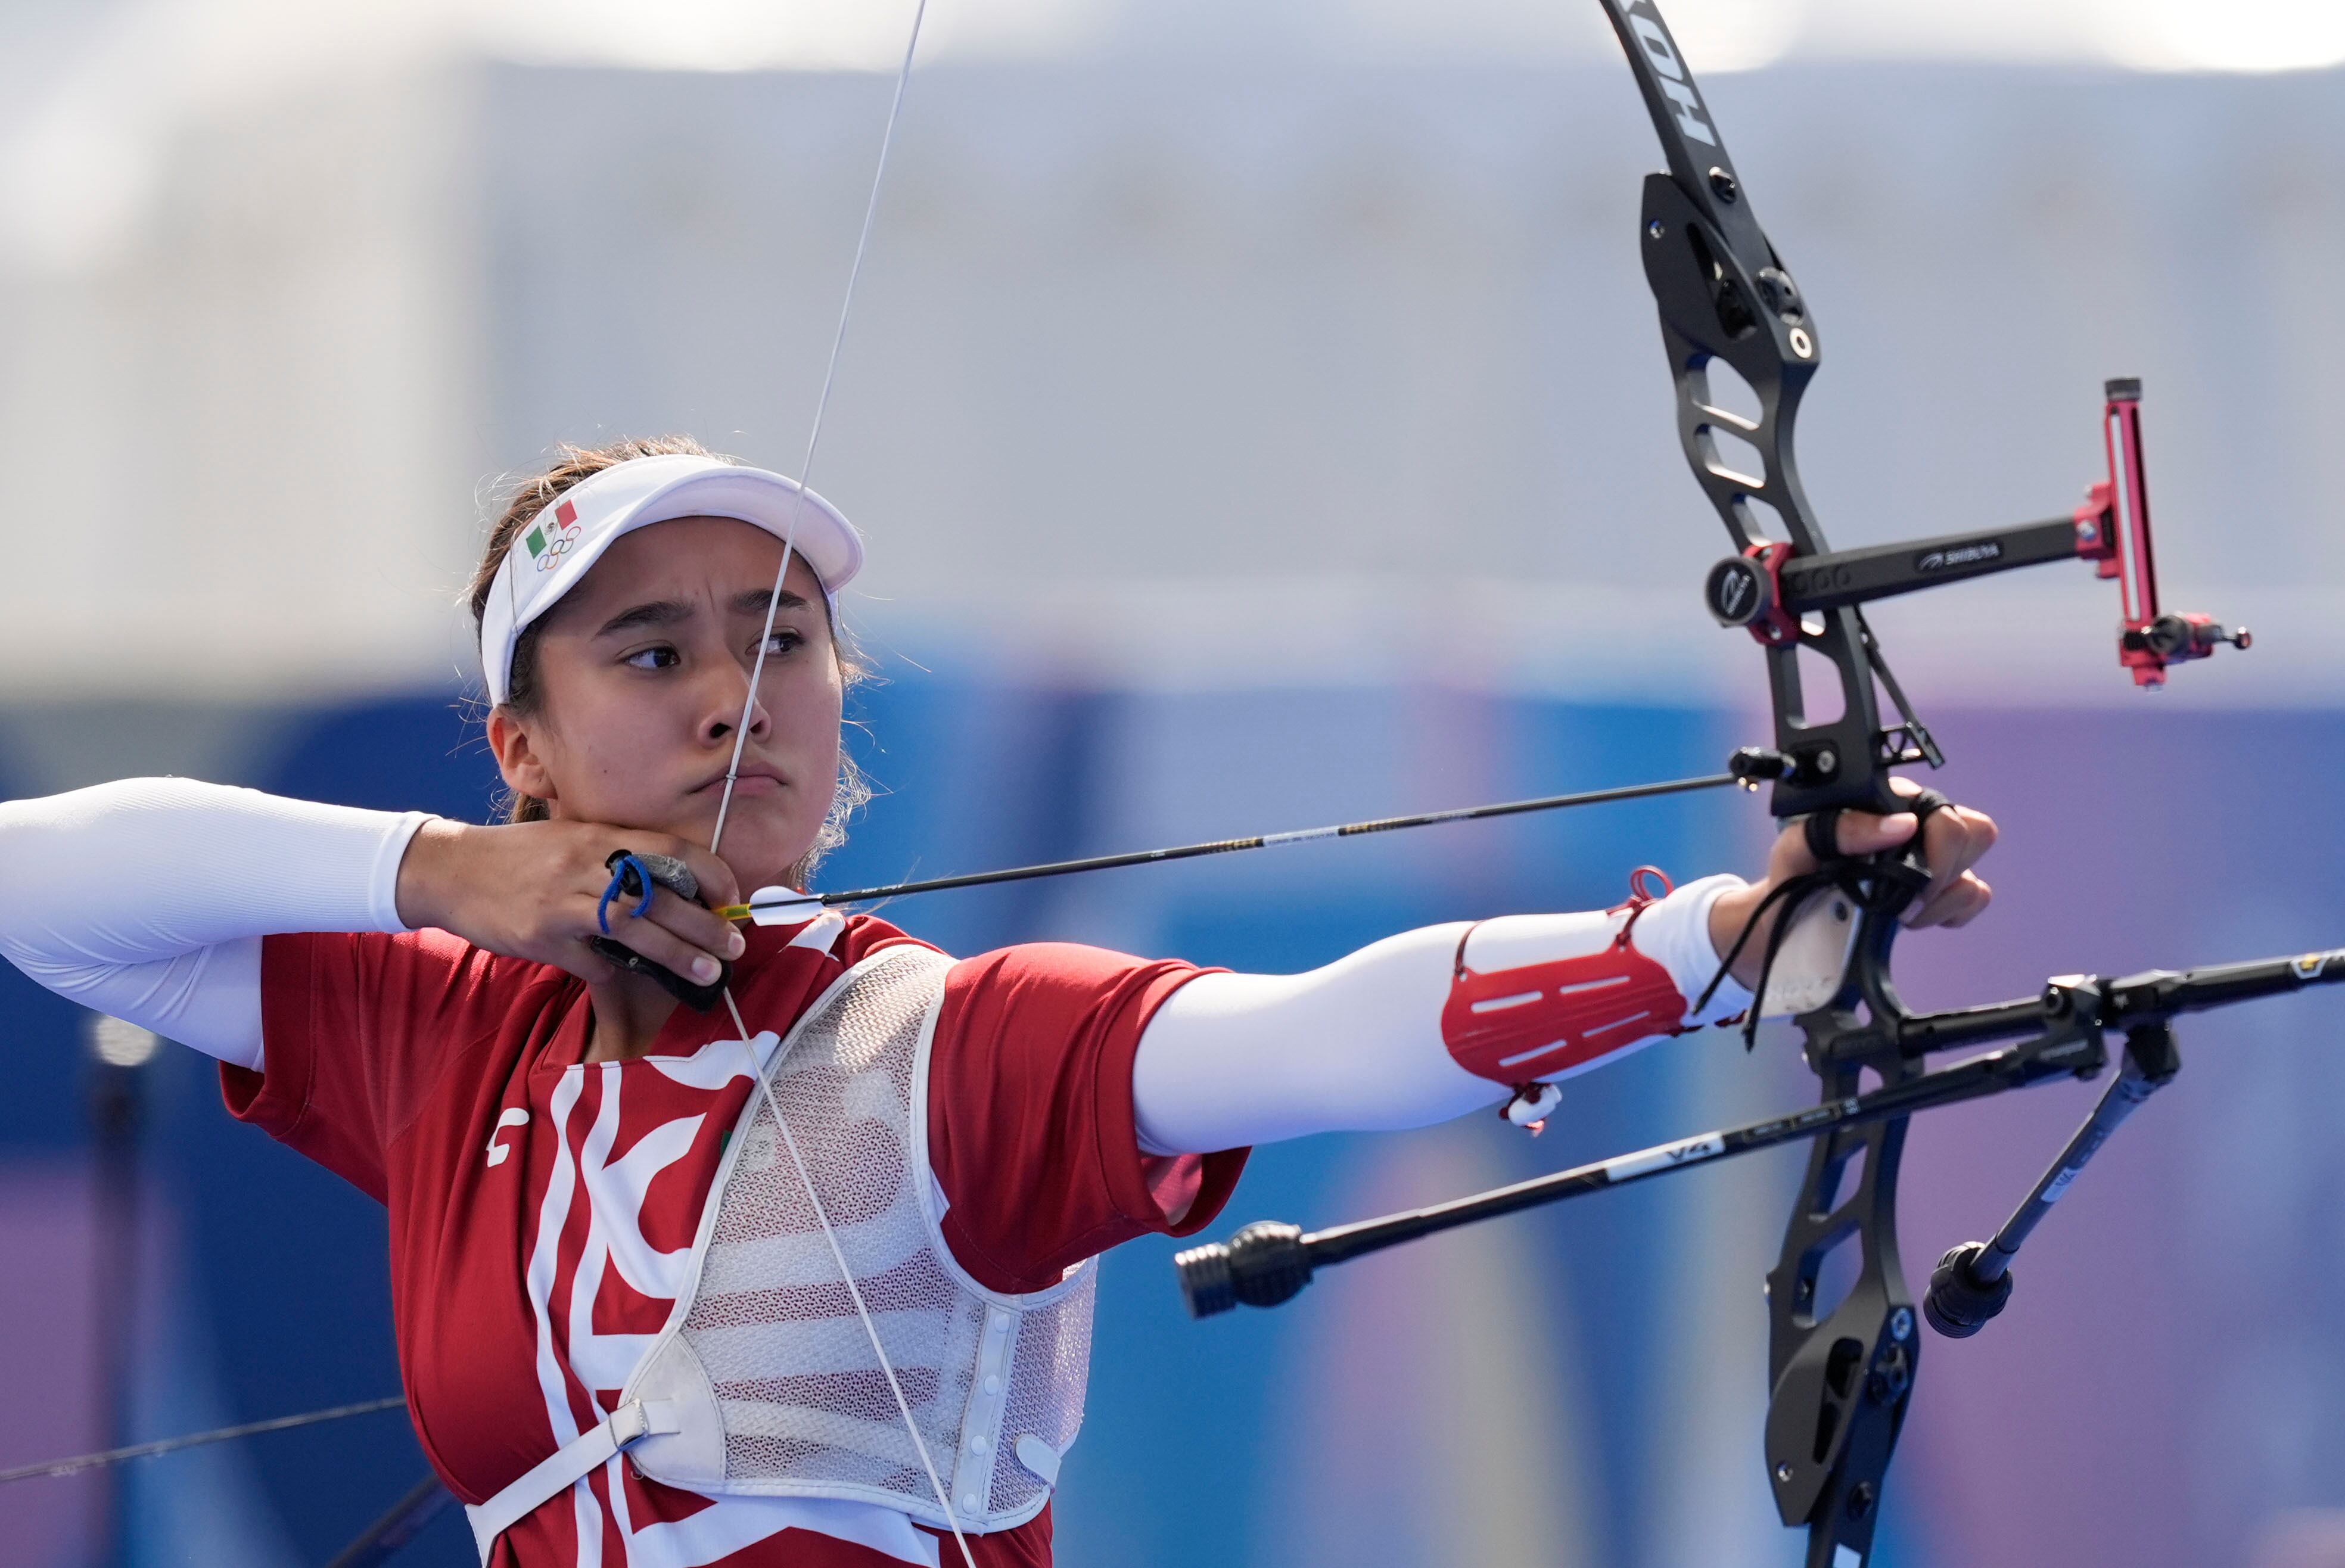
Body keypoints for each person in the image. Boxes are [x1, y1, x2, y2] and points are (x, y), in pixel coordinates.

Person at [0, 436, 1995, 1568]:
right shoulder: (447, 1029)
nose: (732, 691)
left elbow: (1320, 1030)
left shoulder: (939, 1040)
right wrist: (445, 880)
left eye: (784, 644)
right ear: (522, 744)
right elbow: (41, 885)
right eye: (650, 649)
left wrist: (1725, 934)